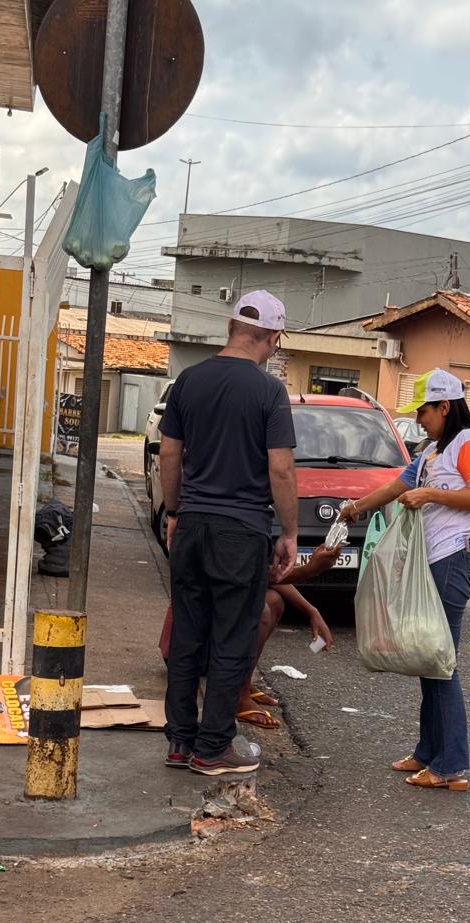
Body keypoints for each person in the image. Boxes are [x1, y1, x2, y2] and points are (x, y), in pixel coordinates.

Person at [159, 290, 299, 777]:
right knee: (231, 638)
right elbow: (280, 468)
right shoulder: (269, 392)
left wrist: (174, 512)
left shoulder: (189, 380)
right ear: (273, 339)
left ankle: (180, 741)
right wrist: (289, 532)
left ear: (230, 327)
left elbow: (169, 454)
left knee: (188, 634)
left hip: (192, 524)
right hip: (241, 531)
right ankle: (214, 747)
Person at [339, 369, 470, 791]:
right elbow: (396, 487)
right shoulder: (431, 451)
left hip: (455, 560)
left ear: (445, 406)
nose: (419, 419)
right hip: (434, 562)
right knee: (429, 658)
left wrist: (430, 495)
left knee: (440, 662)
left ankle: (451, 766)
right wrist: (356, 508)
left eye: (423, 411)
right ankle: (428, 752)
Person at [237, 543, 339, 728]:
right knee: (261, 610)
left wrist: (312, 611)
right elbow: (256, 576)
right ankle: (238, 695)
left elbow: (266, 575)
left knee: (274, 600)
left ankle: (242, 681)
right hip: (196, 643)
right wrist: (310, 569)